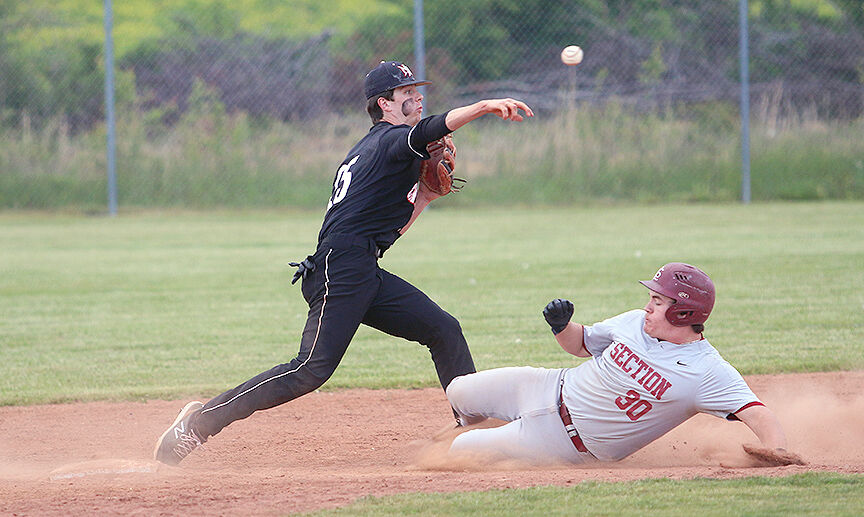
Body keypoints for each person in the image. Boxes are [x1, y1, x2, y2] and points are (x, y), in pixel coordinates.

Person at [154, 60, 534, 465]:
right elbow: (431, 130)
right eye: (407, 94)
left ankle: (470, 429)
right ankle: (195, 427)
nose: (417, 97)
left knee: (443, 329)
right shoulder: (390, 140)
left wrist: (424, 198)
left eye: (415, 91)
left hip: (360, 265)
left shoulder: (377, 149)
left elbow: (384, 231)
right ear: (384, 104)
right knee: (310, 370)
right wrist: (484, 107)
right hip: (341, 267)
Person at [444, 262, 804, 466]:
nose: (648, 306)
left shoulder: (706, 371)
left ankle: (483, 431)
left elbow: (758, 413)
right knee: (459, 390)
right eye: (650, 298)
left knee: (461, 453)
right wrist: (562, 327)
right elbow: (580, 345)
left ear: (683, 313)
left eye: (658, 301)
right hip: (546, 385)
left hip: (563, 443)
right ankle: (474, 420)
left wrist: (776, 451)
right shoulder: (633, 321)